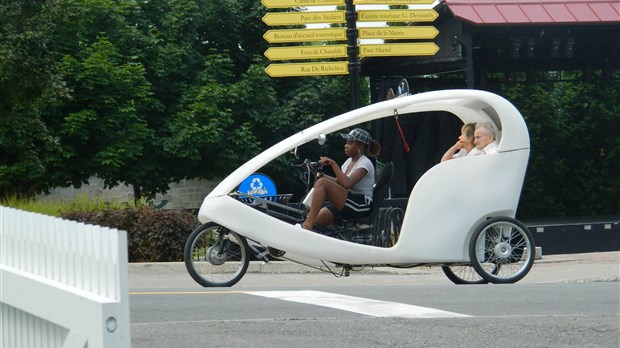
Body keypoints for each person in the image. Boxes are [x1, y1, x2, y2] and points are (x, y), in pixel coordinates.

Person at [300, 128, 381, 230]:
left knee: (321, 183)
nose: (346, 145)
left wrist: (332, 163)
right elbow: (339, 182)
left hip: (360, 205)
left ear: (360, 146)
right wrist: (319, 174)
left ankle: (307, 226)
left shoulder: (365, 163)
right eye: (346, 143)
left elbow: (346, 183)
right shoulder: (348, 162)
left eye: (350, 143)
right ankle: (307, 227)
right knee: (314, 220)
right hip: (347, 201)